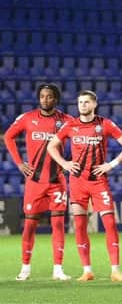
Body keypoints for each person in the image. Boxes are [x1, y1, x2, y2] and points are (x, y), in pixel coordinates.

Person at [47, 90, 122, 282]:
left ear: (94, 104)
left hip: (98, 182)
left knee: (110, 224)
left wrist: (110, 165)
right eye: (80, 102)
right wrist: (64, 164)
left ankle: (115, 271)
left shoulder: (105, 124)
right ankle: (87, 270)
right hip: (77, 182)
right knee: (79, 225)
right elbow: (51, 146)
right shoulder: (71, 125)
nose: (83, 105)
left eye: (86, 102)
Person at [4, 84, 73, 281]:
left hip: (57, 180)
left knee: (58, 224)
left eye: (49, 96)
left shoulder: (67, 121)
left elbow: (80, 139)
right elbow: (8, 137)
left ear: (56, 99)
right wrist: (19, 163)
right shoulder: (27, 118)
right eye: (42, 96)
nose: (45, 100)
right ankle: (25, 268)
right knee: (29, 226)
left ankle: (58, 269)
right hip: (34, 181)